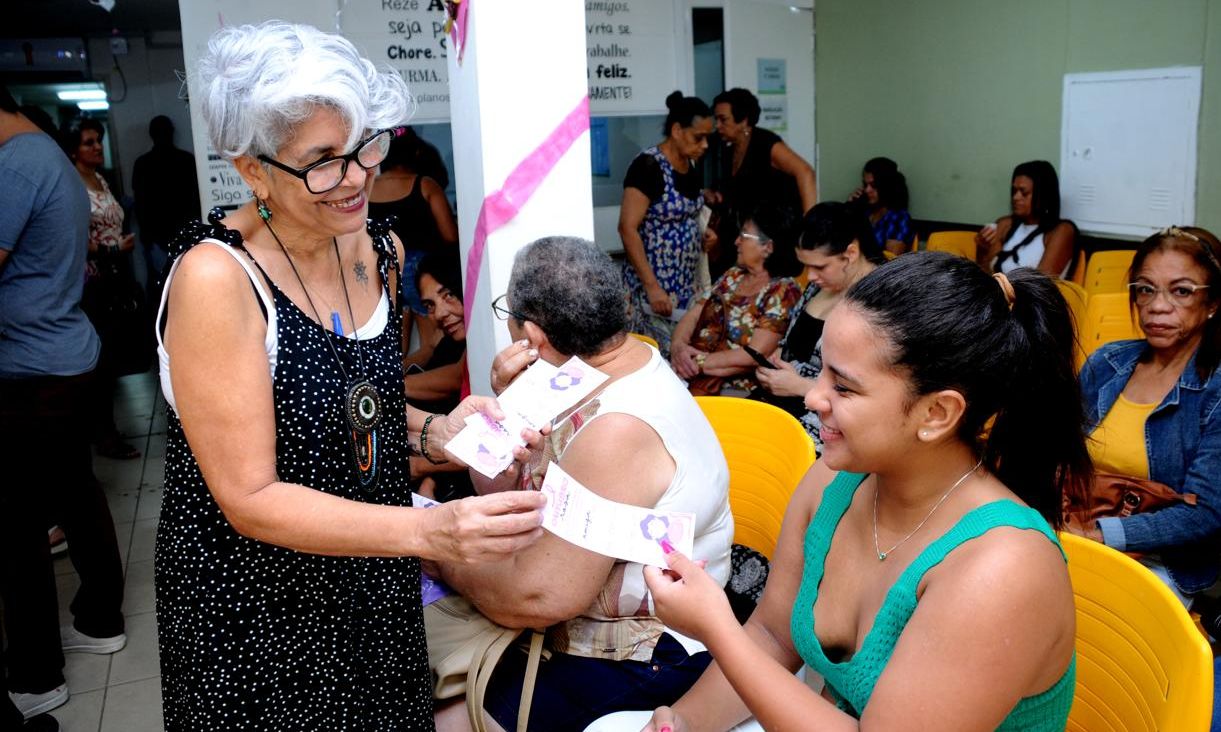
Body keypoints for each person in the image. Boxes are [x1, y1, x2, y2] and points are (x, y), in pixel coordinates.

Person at [155, 22, 546, 729]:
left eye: (365, 145)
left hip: (370, 575)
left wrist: (442, 429)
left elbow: (352, 405)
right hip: (259, 604)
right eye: (322, 161)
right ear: (251, 169)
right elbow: (249, 496)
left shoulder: (375, 248)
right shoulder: (217, 279)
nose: (359, 177)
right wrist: (430, 534)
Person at [642, 253, 1090, 731]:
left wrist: (717, 628)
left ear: (936, 414)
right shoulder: (835, 481)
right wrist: (679, 723)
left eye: (845, 387)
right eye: (822, 373)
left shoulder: (1001, 568)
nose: (814, 397)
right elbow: (773, 636)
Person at [429, 236, 733, 732]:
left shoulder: (620, 426)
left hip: (648, 650)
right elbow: (497, 492)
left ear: (531, 333)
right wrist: (506, 406)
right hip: (570, 616)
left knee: (446, 717)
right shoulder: (579, 370)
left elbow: (540, 597)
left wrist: (433, 544)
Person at [1, 85, 126, 724]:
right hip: (62, 351)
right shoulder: (44, 156)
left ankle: (34, 675)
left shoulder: (17, 163)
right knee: (75, 492)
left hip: (32, 366)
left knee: (19, 524)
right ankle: (100, 619)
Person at [754, 202, 884, 447]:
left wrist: (801, 386)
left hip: (828, 422)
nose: (810, 276)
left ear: (851, 254)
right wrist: (776, 364)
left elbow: (875, 390)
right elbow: (790, 343)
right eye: (806, 266)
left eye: (819, 266)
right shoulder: (818, 286)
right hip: (782, 401)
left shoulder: (880, 302)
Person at [61, 116, 144, 460]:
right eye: (88, 142)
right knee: (101, 359)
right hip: (92, 280)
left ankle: (107, 429)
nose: (97, 147)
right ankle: (102, 435)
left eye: (98, 140)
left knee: (114, 355)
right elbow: (72, 239)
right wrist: (111, 249)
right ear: (73, 150)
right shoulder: (71, 186)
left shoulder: (99, 179)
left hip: (115, 275)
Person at [670, 205, 802, 395]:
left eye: (744, 236)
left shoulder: (783, 290)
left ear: (768, 247)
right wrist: (678, 347)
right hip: (692, 372)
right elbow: (694, 314)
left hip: (736, 389)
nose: (736, 242)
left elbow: (756, 354)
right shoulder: (733, 276)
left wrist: (694, 362)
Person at [619, 91, 714, 357]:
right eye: (699, 137)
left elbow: (689, 215)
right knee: (654, 359)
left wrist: (704, 235)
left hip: (684, 286)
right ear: (677, 130)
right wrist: (652, 286)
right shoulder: (648, 166)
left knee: (681, 358)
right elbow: (627, 228)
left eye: (708, 137)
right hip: (653, 289)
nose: (705, 144)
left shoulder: (689, 165)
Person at [369, 125, 458, 361]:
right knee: (431, 345)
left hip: (382, 270)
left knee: (395, 349)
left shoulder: (368, 190)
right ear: (415, 153)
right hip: (419, 273)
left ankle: (390, 388)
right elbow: (450, 236)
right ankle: (414, 390)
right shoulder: (424, 184)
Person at [708, 87, 816, 274]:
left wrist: (809, 228)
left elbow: (805, 172)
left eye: (723, 120)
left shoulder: (766, 143)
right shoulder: (726, 151)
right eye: (716, 119)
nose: (717, 125)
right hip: (748, 238)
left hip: (775, 237)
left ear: (743, 120)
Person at [132, 114, 200, 291]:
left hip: (156, 238)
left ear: (151, 135)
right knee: (189, 285)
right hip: (186, 235)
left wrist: (147, 238)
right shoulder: (187, 160)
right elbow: (195, 201)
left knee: (162, 288)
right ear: (172, 132)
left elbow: (140, 205)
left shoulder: (142, 164)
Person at [976, 160, 1077, 277]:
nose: (1016, 197)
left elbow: (1042, 284)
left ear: (1043, 195)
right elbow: (985, 275)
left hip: (1029, 294)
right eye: (1014, 191)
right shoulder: (1005, 224)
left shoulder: (1061, 231)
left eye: (1024, 192)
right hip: (998, 292)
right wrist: (983, 250)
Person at [847, 156, 914, 256]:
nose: (867, 190)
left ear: (886, 186)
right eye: (865, 185)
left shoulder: (899, 218)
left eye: (873, 185)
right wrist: (849, 207)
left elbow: (890, 259)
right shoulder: (865, 212)